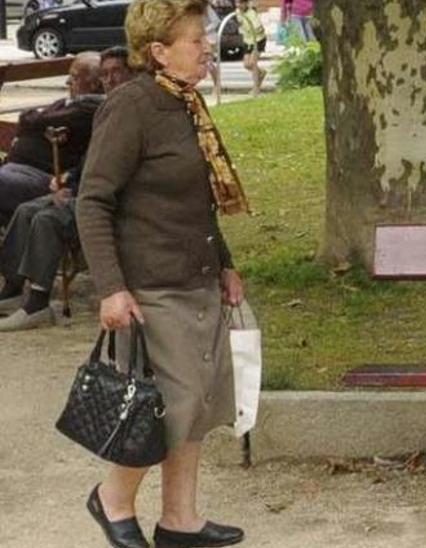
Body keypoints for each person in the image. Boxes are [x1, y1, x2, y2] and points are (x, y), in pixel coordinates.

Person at [76, 1, 251, 547]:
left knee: (197, 404)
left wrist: (223, 263)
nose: (206, 47)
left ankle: (180, 520)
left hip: (195, 276)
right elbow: (93, 201)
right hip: (152, 286)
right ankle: (112, 500)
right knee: (169, 407)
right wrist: (111, 288)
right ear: (159, 52)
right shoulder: (131, 107)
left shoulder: (187, 103)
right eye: (196, 40)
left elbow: (195, 200)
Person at [0, 47, 136, 330]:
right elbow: (92, 161)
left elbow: (114, 167)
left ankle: (37, 304)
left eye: (115, 74)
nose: (108, 80)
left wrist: (74, 187)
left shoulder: (127, 112)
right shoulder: (109, 108)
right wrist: (70, 179)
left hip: (110, 199)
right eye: (105, 74)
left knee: (47, 217)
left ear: (131, 75)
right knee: (27, 210)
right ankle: (13, 289)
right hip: (80, 186)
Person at [0, 52, 102, 228]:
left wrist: (36, 121)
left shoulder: (89, 108)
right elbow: (32, 121)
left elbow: (33, 120)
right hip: (17, 170)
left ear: (93, 84)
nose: (67, 82)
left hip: (46, 178)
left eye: (74, 77)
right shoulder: (67, 103)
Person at [234, 0, 266, 96]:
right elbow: (239, 22)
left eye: (241, 3)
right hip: (248, 40)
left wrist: (256, 29)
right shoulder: (237, 12)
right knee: (247, 64)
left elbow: (258, 27)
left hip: (258, 40)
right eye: (237, 3)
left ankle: (256, 88)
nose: (239, 5)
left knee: (253, 62)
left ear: (246, 3)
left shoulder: (252, 13)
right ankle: (261, 73)